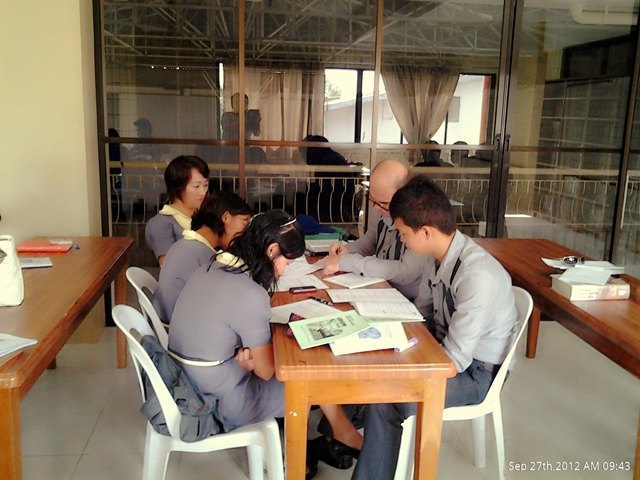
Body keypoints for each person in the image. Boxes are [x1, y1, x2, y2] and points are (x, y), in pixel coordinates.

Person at [168, 210, 363, 479]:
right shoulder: (250, 294)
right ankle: (295, 461)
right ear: (272, 250)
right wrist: (250, 362)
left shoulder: (213, 265)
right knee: (305, 381)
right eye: (287, 262)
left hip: (188, 378)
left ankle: (342, 432)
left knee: (294, 360)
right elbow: (267, 371)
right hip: (215, 398)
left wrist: (245, 356)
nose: (283, 270)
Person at [351, 175, 518, 480]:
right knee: (369, 364)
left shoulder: (477, 276)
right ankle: (344, 431)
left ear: (426, 231)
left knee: (385, 399)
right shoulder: (437, 255)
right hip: (441, 348)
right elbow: (423, 314)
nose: (401, 240)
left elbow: (455, 361)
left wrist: (403, 366)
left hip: (476, 372)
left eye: (403, 234)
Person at [323, 159, 430, 303]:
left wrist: (349, 262)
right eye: (373, 200)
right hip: (381, 288)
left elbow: (404, 272)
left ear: (404, 196)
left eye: (384, 203)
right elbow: (371, 240)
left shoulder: (421, 220)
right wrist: (347, 250)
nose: (376, 208)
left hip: (408, 300)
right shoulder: (381, 207)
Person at [153, 191, 252, 324]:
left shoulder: (185, 245)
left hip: (166, 322)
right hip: (178, 328)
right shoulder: (203, 255)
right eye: (244, 222)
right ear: (226, 217)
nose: (245, 232)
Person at [145, 155, 210, 265]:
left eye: (205, 185)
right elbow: (170, 267)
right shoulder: (160, 223)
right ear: (177, 188)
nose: (203, 192)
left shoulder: (207, 214)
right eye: (196, 186)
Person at [302, 135, 357, 223]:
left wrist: (306, 193)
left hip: (336, 204)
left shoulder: (329, 161)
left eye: (308, 151)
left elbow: (325, 190)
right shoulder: (330, 157)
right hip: (339, 201)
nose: (306, 156)